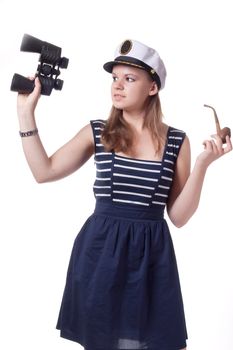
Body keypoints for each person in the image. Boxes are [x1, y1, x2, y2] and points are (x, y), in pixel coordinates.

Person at [17, 39, 232, 350]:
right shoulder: (98, 132)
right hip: (101, 254)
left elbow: (179, 217)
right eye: (114, 78)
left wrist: (202, 165)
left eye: (129, 79)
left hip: (153, 261)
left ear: (152, 88)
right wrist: (26, 115)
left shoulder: (176, 141)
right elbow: (44, 171)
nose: (117, 86)